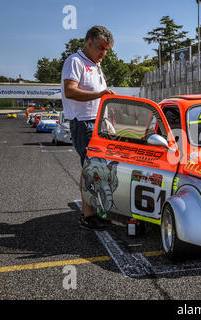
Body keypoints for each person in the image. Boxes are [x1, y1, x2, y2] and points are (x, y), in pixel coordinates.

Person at [61, 25, 116, 230]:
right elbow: (70, 91)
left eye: (107, 50)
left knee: (96, 170)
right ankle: (87, 215)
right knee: (90, 169)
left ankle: (96, 211)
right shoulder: (74, 61)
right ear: (89, 42)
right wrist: (100, 95)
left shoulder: (95, 65)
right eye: (101, 48)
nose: (103, 53)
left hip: (96, 122)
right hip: (83, 122)